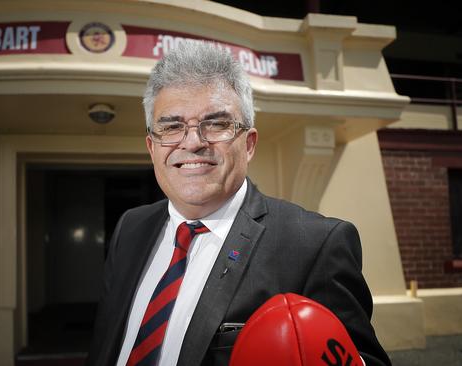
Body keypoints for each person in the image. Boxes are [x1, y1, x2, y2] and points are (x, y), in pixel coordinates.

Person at [86, 41, 390, 366]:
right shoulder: (130, 227)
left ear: (249, 144)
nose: (192, 143)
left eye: (216, 124)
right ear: (152, 147)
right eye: (172, 126)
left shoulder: (315, 246)